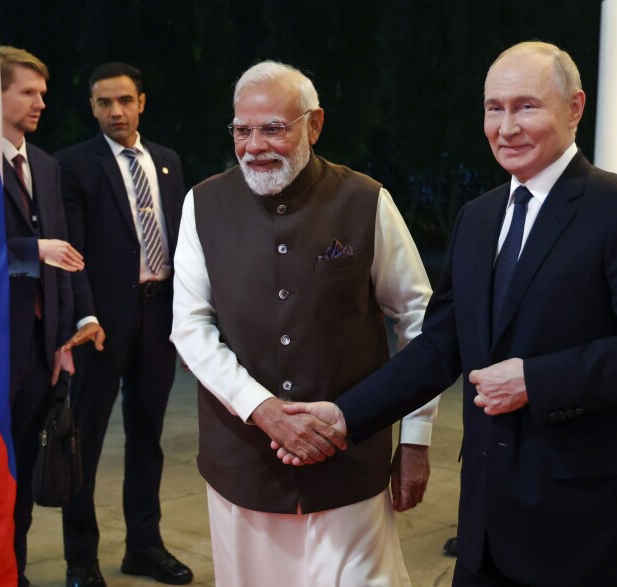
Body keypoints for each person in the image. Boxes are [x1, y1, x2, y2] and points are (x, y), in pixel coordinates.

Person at [278, 41, 617, 587]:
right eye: (494, 108)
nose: (506, 127)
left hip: (583, 522)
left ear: (575, 108)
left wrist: (533, 380)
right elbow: (438, 344)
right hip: (485, 520)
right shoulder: (478, 217)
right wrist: (346, 415)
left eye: (526, 106)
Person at [170, 60, 439, 587]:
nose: (254, 146)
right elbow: (190, 328)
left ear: (314, 125)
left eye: (273, 128)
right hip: (243, 464)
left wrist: (415, 438)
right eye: (242, 130)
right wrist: (263, 410)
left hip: (350, 462)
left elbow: (418, 317)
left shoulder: (365, 200)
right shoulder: (202, 204)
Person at [55, 63, 191, 586]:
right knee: (82, 442)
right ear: (92, 107)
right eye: (104, 103)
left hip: (158, 315)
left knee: (147, 437)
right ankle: (81, 560)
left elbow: (181, 243)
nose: (116, 111)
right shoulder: (74, 165)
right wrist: (85, 314)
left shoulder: (168, 163)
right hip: (101, 324)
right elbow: (74, 253)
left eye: (125, 101)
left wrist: (188, 317)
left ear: (142, 102)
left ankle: (144, 546)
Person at [0, 46, 84, 587]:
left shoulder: (46, 165)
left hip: (38, 346)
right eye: (28, 92)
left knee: (27, 464)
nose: (40, 103)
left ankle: (15, 571)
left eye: (43, 93)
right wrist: (33, 250)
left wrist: (62, 339)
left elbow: (66, 260)